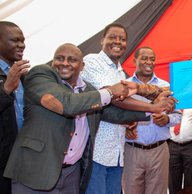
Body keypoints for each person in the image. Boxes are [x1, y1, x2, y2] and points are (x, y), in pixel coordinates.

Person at [3, 43, 167, 194]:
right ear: (53, 62)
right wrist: (110, 92)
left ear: (82, 66)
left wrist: (154, 108)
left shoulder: (88, 90)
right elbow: (68, 105)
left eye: (72, 60)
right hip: (35, 172)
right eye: (60, 58)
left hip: (71, 175)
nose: (65, 63)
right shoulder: (40, 75)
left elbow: (114, 114)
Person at [80, 24, 173, 194]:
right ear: (102, 40)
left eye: (122, 39)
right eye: (113, 37)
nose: (118, 42)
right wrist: (152, 108)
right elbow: (113, 95)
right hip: (97, 151)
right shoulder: (92, 61)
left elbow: (119, 107)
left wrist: (129, 121)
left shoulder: (120, 73)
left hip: (117, 152)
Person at [122, 46, 181, 194]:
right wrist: (125, 127)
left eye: (152, 59)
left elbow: (178, 115)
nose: (149, 62)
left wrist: (167, 119)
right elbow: (116, 115)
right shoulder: (124, 86)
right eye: (144, 58)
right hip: (132, 150)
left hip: (159, 150)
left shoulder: (166, 86)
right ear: (135, 60)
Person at [0, 21, 30, 194]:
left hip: (22, 158)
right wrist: (6, 89)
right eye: (15, 40)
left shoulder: (23, 74)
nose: (21, 45)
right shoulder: (11, 78)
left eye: (23, 40)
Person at [168, 109, 192, 194]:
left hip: (190, 145)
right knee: (173, 179)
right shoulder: (170, 102)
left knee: (190, 178)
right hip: (172, 145)